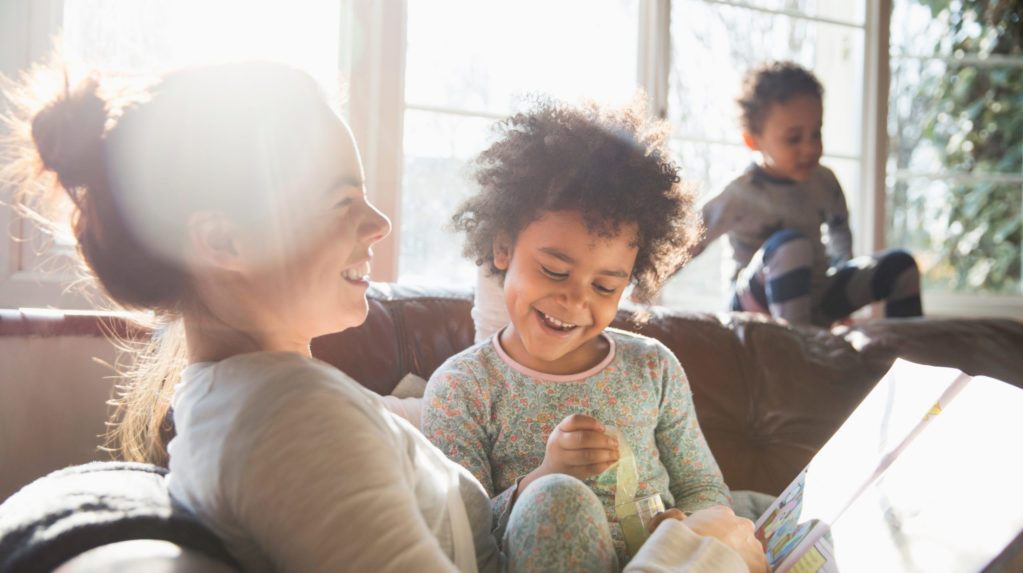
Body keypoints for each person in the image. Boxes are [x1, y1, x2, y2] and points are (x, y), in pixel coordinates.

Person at [3, 57, 764, 573]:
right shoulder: (288, 424)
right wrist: (703, 555)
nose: (379, 224)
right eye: (341, 201)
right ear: (225, 240)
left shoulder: (255, 396)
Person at [422, 96, 765, 572]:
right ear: (503, 247)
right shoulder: (461, 389)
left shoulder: (652, 367)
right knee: (555, 498)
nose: (577, 301)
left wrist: (685, 523)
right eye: (554, 270)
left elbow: (702, 486)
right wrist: (543, 478)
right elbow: (459, 532)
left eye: (605, 286)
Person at [689, 61, 922, 327]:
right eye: (793, 138)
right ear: (753, 140)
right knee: (791, 246)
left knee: (901, 266)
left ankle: (909, 360)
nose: (810, 148)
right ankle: (800, 352)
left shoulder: (825, 181)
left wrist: (843, 294)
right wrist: (643, 288)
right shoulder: (739, 193)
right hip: (755, 310)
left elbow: (840, 237)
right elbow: (686, 242)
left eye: (816, 133)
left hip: (816, 299)